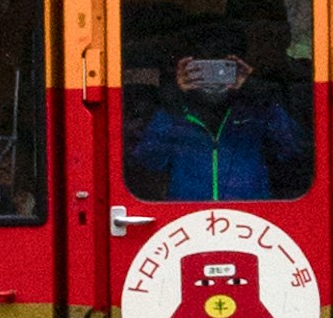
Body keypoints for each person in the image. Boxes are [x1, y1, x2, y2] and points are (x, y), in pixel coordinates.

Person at [129, 19, 308, 201]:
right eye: (203, 68)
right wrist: (172, 103)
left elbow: (293, 152)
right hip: (187, 219)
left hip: (251, 219)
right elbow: (147, 161)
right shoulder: (177, 115)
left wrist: (258, 94)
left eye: (223, 68)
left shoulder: (256, 113)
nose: (213, 77)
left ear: (239, 67)